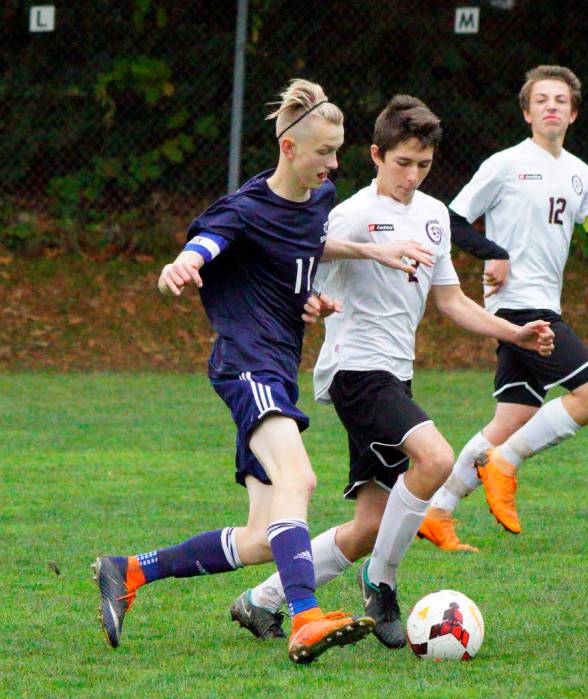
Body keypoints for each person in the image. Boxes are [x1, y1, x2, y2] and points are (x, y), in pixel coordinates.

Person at [91, 79, 412, 664]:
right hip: (246, 363)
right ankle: (306, 618)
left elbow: (309, 244)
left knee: (266, 536)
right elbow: (209, 243)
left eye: (337, 152)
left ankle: (129, 570)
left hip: (277, 368)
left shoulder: (317, 198)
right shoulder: (245, 208)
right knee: (301, 481)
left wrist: (352, 266)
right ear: (289, 149)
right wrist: (183, 264)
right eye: (322, 152)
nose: (332, 164)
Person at [229, 95, 555, 648]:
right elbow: (302, 261)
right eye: (402, 163)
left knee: (369, 528)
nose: (411, 175)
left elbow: (451, 301)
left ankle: (259, 600)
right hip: (355, 372)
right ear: (376, 155)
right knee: (436, 458)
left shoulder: (433, 216)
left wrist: (514, 332)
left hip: (394, 376)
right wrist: (314, 302)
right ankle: (381, 583)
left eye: (423, 165)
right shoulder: (352, 213)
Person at [416, 65, 588, 553]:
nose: (552, 106)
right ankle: (502, 464)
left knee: (512, 417)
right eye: (542, 99)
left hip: (545, 303)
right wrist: (495, 253)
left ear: (573, 113)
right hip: (515, 307)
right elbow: (452, 218)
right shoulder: (505, 164)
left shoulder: (579, 173)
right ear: (527, 112)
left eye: (561, 100)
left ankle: (437, 513)